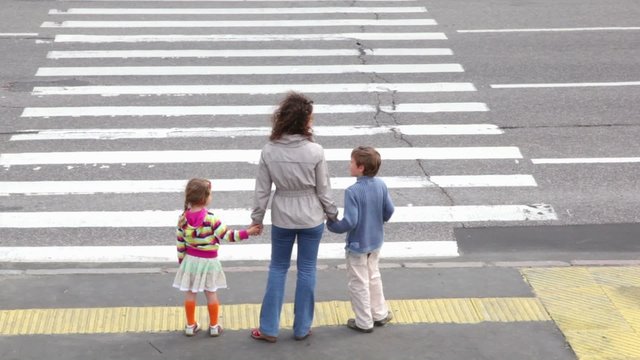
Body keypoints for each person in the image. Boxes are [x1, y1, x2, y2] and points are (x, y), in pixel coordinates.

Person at [250, 92, 338, 342]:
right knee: (307, 269)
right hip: (312, 217)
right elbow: (324, 189)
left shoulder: (269, 150)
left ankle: (268, 328)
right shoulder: (315, 150)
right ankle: (302, 328)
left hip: (282, 217)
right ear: (304, 121)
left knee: (278, 268)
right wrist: (332, 215)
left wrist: (257, 218)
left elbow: (262, 190)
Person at [173, 178, 260, 337]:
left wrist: (182, 262)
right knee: (211, 293)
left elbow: (180, 242)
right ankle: (214, 326)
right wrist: (247, 232)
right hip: (209, 262)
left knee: (190, 293)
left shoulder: (182, 218)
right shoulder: (211, 218)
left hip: (190, 260)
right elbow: (227, 235)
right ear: (204, 198)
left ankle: (190, 325)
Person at [326, 146, 395, 333]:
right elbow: (389, 210)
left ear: (361, 167)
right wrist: (377, 221)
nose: (349, 165)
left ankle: (364, 321)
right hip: (376, 241)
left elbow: (350, 221)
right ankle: (380, 313)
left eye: (351, 162)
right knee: (373, 276)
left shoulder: (352, 191)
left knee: (358, 283)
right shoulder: (381, 184)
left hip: (357, 245)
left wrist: (332, 225)